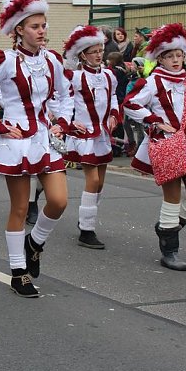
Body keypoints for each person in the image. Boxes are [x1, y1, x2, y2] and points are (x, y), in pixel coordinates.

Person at [0, 0, 72, 297]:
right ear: (19, 30)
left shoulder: (52, 60)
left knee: (59, 201)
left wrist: (63, 122)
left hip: (44, 139)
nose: (42, 31)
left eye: (43, 25)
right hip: (16, 141)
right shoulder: (6, 60)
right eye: (35, 26)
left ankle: (34, 243)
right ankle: (18, 272)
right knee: (21, 207)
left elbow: (66, 94)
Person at [123, 23, 186, 271]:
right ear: (160, 58)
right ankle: (170, 250)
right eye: (169, 56)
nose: (175, 60)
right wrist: (154, 121)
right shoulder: (153, 81)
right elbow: (130, 104)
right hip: (167, 144)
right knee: (172, 198)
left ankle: (166, 227)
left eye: (178, 55)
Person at [62, 25, 119, 249]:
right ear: (83, 55)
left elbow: (113, 98)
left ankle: (86, 217)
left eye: (100, 51)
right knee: (93, 180)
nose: (98, 55)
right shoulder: (75, 77)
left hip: (102, 134)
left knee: (100, 183)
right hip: (84, 134)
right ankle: (86, 230)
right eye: (93, 52)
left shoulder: (109, 76)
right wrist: (69, 122)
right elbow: (62, 100)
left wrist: (114, 114)